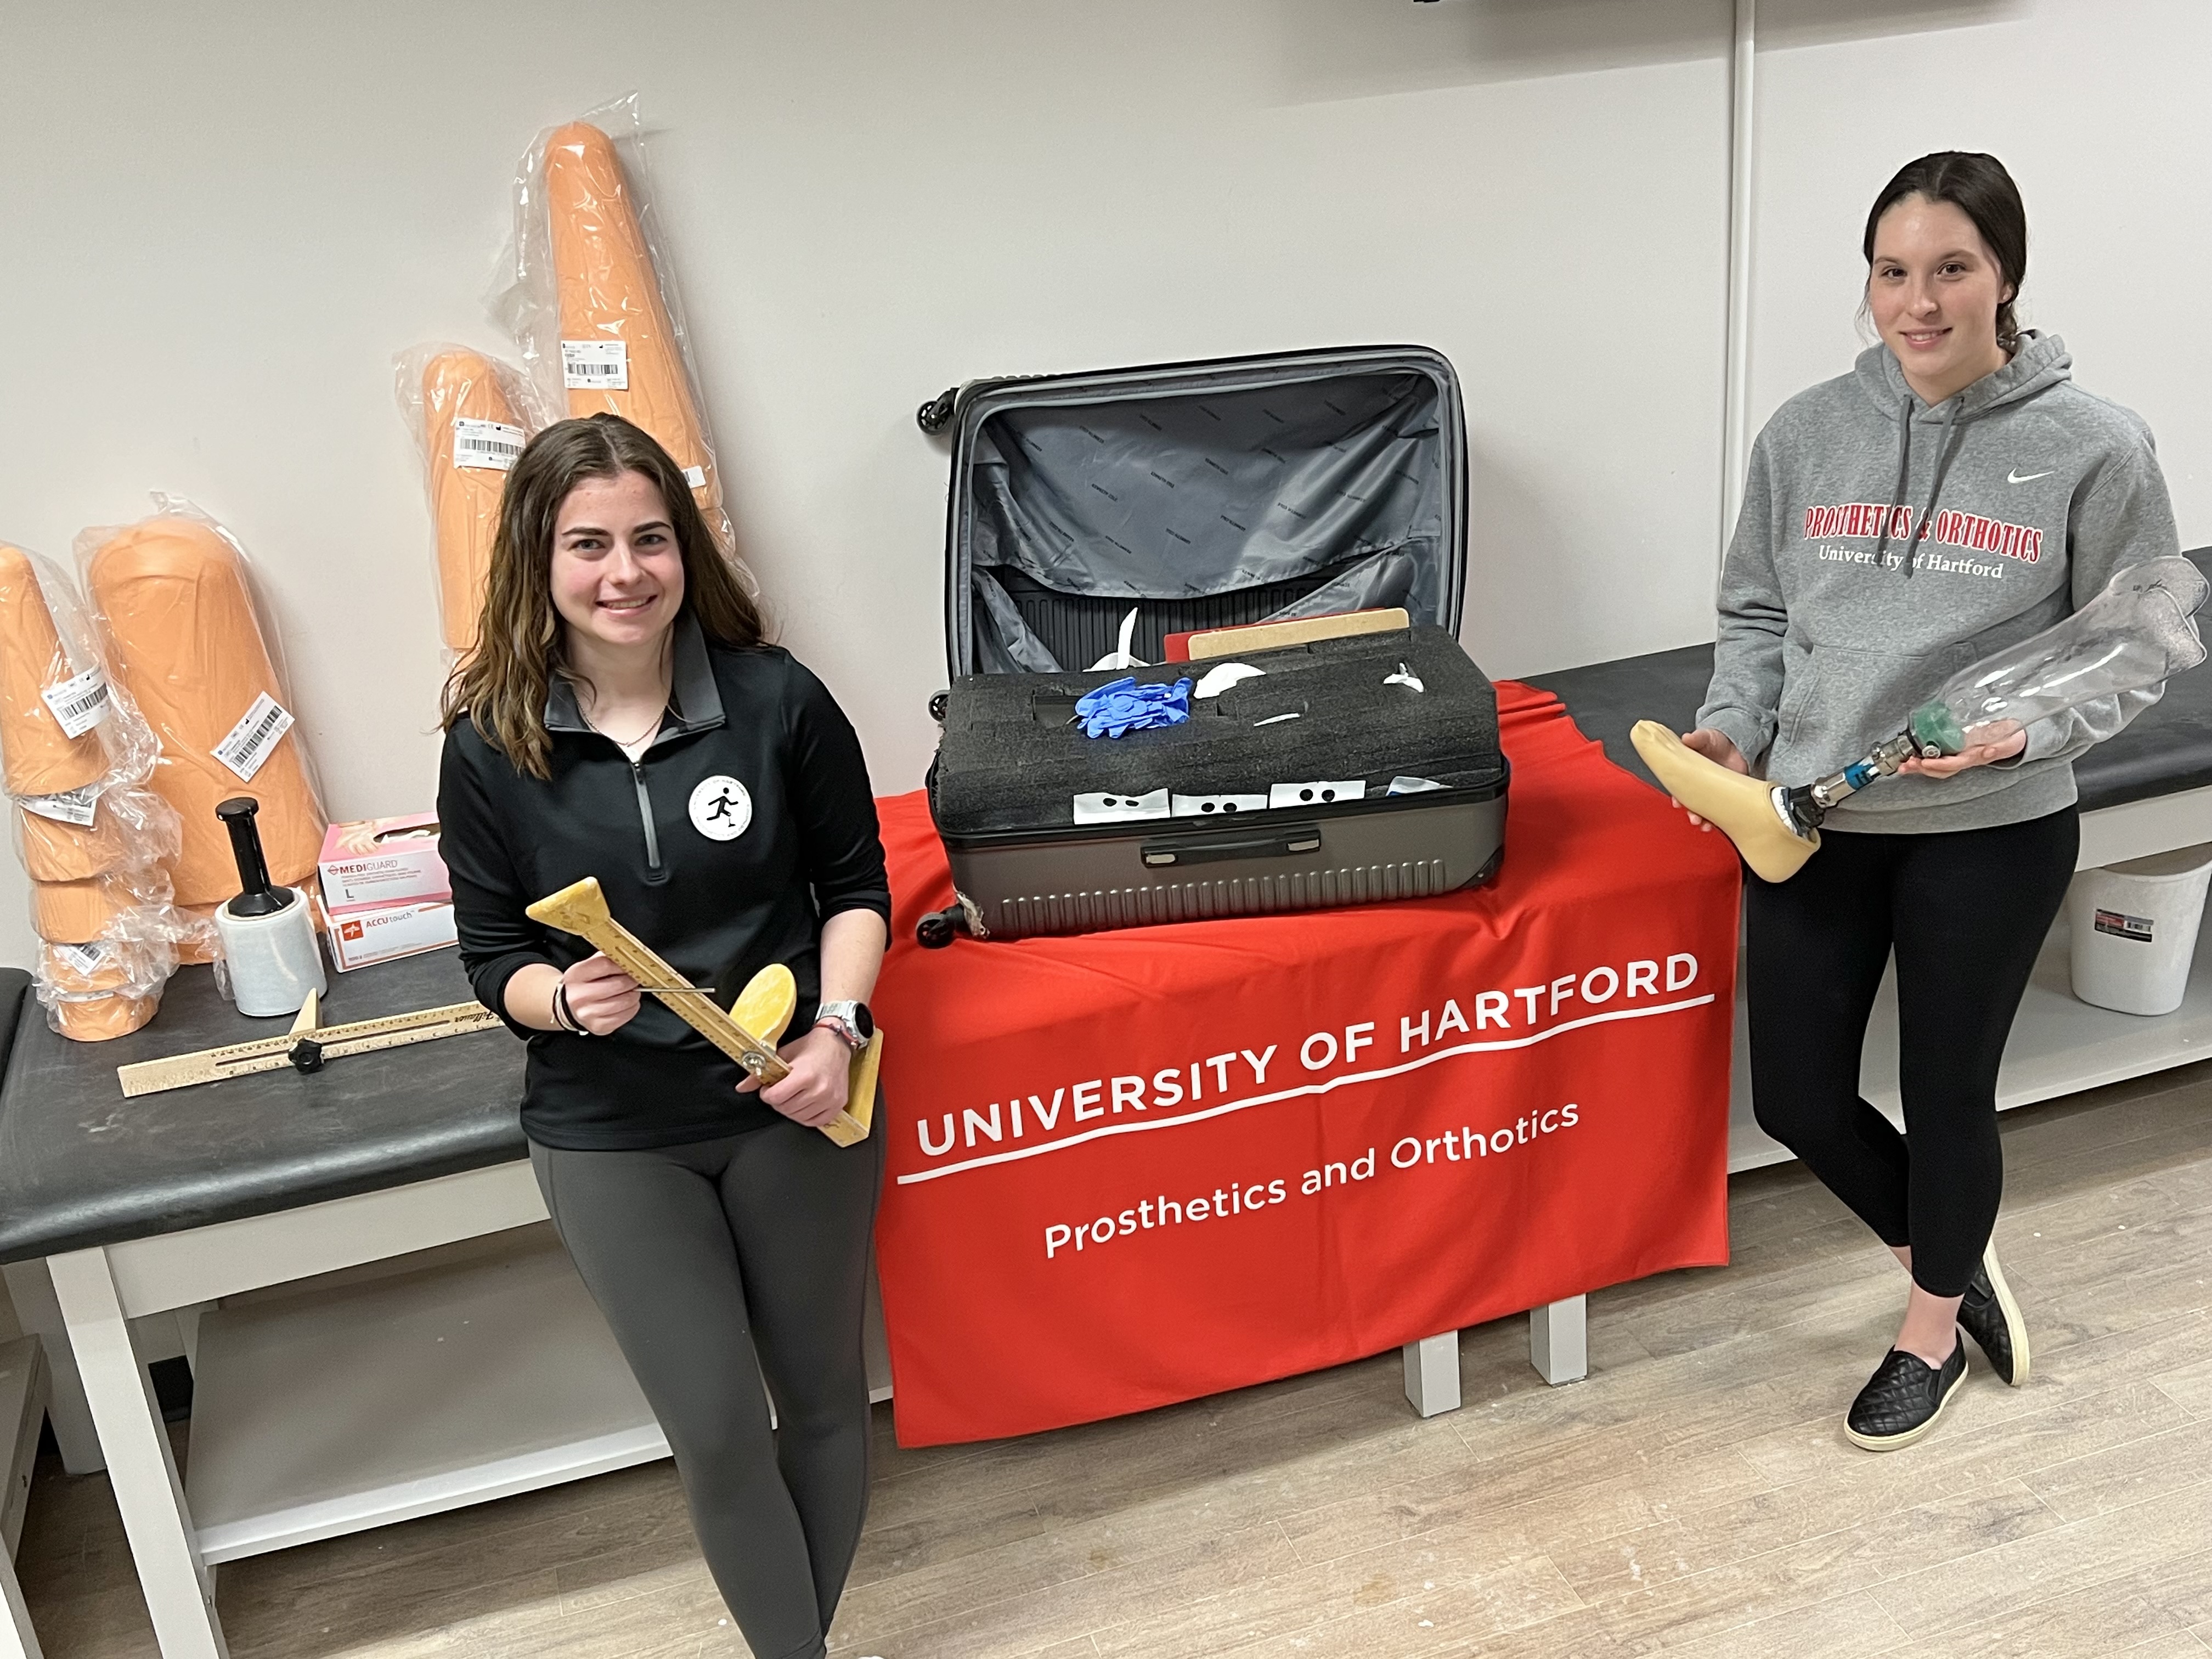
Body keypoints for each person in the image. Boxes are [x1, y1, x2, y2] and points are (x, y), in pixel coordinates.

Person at [1684, 153, 2180, 1451]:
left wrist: (2025, 727)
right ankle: (1950, 1262)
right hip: (1811, 818)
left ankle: (1928, 1329)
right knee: (1795, 1095)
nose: (1919, 302)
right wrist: (1736, 724)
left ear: (2005, 276)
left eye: (1951, 269)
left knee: (1947, 1090)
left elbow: (2142, 639)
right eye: (1893, 272)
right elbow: (1756, 610)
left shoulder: (2097, 444)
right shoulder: (1804, 430)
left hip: (1991, 827)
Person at [438, 413, 892, 1656]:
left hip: (796, 1099)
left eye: (650, 538)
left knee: (820, 1404)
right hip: (611, 1132)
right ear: (539, 557)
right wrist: (560, 1000)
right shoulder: (489, 742)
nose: (623, 572)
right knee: (717, 1428)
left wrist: (838, 1032)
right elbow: (493, 957)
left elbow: (857, 890)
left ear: (686, 550)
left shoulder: (777, 700)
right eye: (588, 543)